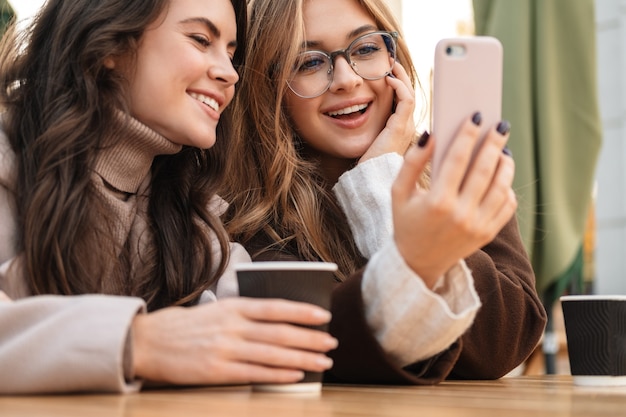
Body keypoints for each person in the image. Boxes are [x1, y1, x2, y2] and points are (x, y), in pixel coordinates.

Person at [0, 0, 338, 394]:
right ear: (111, 43)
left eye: (231, 53)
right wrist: (136, 342)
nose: (229, 73)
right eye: (200, 39)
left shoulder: (188, 213)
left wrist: (396, 225)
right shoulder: (9, 160)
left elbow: (284, 334)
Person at [221, 0, 547, 384]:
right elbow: (316, 351)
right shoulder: (251, 221)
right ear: (271, 91)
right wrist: (379, 191)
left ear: (397, 63)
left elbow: (501, 346)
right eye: (308, 62)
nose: (346, 78)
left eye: (365, 48)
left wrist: (386, 180)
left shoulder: (459, 180)